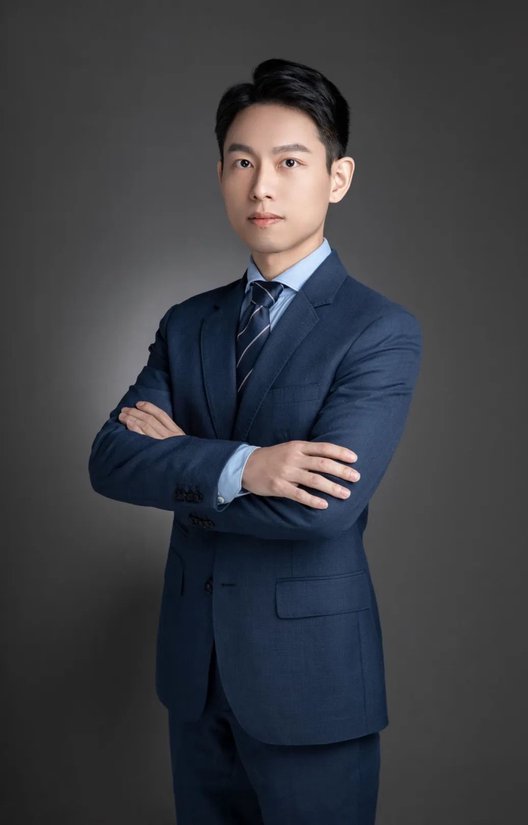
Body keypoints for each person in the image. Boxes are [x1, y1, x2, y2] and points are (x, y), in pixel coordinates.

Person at [89, 57, 423, 825]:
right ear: (220, 176)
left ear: (337, 178)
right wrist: (249, 466)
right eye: (242, 163)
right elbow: (110, 459)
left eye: (289, 162)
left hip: (311, 686)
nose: (261, 186)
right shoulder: (187, 323)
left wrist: (183, 463)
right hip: (193, 677)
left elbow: (320, 508)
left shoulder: (378, 330)